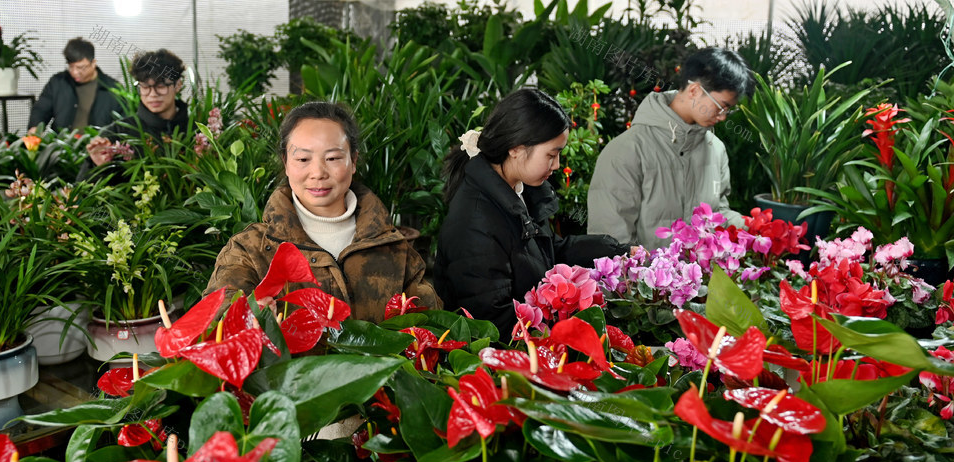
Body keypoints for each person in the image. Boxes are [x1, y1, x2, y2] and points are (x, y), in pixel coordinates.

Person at [205, 101, 439, 323]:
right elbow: (215, 321)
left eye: (333, 158)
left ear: (353, 161)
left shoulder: (394, 248)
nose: (318, 173)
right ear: (286, 163)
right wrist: (247, 317)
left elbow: (431, 326)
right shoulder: (249, 249)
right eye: (303, 159)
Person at [434, 88, 625, 340]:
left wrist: (618, 252)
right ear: (515, 148)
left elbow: (548, 252)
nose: (557, 165)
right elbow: (492, 324)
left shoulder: (519, 191)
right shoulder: (475, 222)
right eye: (551, 155)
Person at [587, 47, 755, 252]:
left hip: (703, 273)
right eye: (721, 106)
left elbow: (718, 213)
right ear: (694, 90)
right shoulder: (627, 150)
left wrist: (756, 228)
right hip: (645, 274)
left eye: (728, 110)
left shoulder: (716, 149)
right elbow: (611, 242)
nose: (722, 117)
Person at [78, 49, 190, 182]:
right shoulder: (117, 133)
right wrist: (100, 166)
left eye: (161, 86)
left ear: (177, 85)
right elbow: (82, 188)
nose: (153, 94)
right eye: (145, 86)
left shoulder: (196, 132)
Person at [28, 37, 123, 131]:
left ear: (93, 63)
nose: (74, 72)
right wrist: (35, 128)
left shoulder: (113, 88)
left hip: (98, 141)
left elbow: (123, 124)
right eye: (71, 67)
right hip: (62, 140)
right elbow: (41, 110)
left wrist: (108, 139)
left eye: (80, 68)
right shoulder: (58, 82)